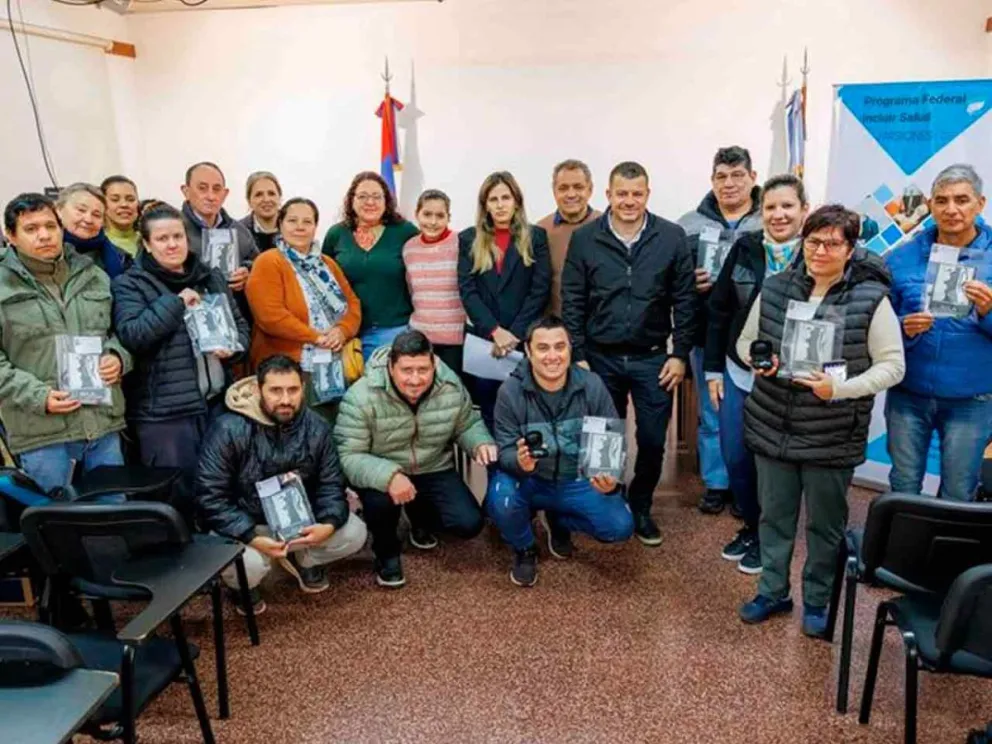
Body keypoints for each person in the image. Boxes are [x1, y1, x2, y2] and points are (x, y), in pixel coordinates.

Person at [735, 205, 905, 636]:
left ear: (850, 249)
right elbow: (745, 342)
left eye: (832, 243)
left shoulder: (871, 300)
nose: (820, 251)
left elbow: (892, 366)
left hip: (832, 431)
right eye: (813, 241)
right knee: (774, 518)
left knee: (824, 526)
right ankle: (773, 590)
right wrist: (759, 360)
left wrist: (839, 389)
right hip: (773, 423)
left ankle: (816, 599)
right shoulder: (776, 287)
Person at [561, 161, 697, 546]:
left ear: (647, 195)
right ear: (608, 195)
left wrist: (679, 353)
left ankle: (640, 505)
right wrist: (578, 354)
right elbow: (573, 299)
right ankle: (607, 500)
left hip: (653, 358)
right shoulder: (585, 238)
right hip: (598, 358)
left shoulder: (671, 237)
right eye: (621, 193)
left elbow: (685, 300)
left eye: (637, 194)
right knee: (604, 436)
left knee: (652, 439)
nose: (629, 201)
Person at [196, 355, 368, 613]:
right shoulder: (227, 429)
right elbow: (210, 497)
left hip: (301, 522)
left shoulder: (317, 427)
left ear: (303, 388)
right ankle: (243, 586)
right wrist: (251, 536)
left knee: (354, 533)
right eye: (275, 390)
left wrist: (328, 524)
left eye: (293, 390)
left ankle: (306, 561)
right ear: (258, 389)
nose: (286, 399)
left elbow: (331, 483)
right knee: (247, 566)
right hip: (248, 524)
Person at [112, 203, 250, 521]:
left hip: (216, 402)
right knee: (178, 494)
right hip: (166, 413)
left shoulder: (210, 276)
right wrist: (175, 304)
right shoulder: (130, 283)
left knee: (220, 485)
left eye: (178, 236)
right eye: (162, 239)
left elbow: (240, 326)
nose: (172, 244)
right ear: (147, 244)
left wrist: (234, 347)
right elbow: (133, 335)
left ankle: (222, 545)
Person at [334, 330, 497, 588]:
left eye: (423, 370)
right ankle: (386, 553)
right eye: (406, 370)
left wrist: (479, 442)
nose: (415, 379)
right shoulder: (361, 396)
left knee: (469, 524)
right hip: (383, 468)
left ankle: (420, 519)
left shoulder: (450, 385)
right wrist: (389, 476)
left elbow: (466, 424)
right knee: (380, 504)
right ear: (391, 367)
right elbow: (348, 455)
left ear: (434, 364)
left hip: (433, 465)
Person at [704, 174, 810, 575]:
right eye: (771, 207)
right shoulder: (746, 248)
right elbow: (719, 310)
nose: (779, 214)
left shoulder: (816, 253)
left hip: (788, 381)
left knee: (776, 465)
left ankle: (771, 539)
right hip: (738, 371)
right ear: (760, 211)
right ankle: (751, 526)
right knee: (736, 455)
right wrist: (713, 369)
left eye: (787, 206)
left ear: (804, 210)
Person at [487, 316, 633, 586]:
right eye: (543, 348)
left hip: (576, 479)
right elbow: (504, 451)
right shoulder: (510, 391)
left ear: (570, 349)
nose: (552, 356)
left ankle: (559, 521)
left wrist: (610, 482)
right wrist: (519, 462)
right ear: (528, 351)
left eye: (560, 347)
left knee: (619, 526)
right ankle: (525, 548)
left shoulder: (592, 385)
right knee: (500, 501)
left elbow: (609, 447)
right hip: (530, 480)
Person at [0, 193, 131, 492]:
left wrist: (118, 356)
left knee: (113, 512)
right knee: (57, 517)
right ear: (11, 236)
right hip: (42, 433)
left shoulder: (93, 275)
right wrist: (38, 396)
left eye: (50, 226)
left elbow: (121, 332)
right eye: (31, 229)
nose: (44, 235)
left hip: (102, 426)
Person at [884, 164, 992, 502]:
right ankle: (904, 540)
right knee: (903, 486)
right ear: (929, 205)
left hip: (971, 399)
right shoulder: (901, 257)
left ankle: (948, 542)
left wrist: (989, 313)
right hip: (908, 394)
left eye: (962, 200)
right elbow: (878, 325)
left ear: (981, 204)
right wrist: (903, 327)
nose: (951, 209)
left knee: (958, 492)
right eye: (942, 201)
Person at [678, 146, 763, 515]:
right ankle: (716, 483)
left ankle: (749, 487)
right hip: (706, 335)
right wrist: (689, 282)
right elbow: (672, 280)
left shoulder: (769, 219)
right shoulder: (688, 224)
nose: (729, 184)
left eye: (737, 175)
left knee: (753, 417)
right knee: (712, 413)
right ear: (712, 180)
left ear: (752, 178)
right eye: (721, 177)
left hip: (756, 340)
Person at [245, 198, 361, 416]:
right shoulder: (268, 261)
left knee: (328, 424)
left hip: (331, 365)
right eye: (292, 221)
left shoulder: (327, 264)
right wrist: (316, 337)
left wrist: (342, 330)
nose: (300, 227)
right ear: (280, 224)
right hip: (288, 372)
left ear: (315, 227)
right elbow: (270, 316)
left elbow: (353, 304)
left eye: (307, 221)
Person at [458, 171, 551, 430]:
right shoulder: (468, 239)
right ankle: (494, 458)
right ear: (485, 205)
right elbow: (467, 291)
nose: (500, 205)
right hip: (485, 342)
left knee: (527, 412)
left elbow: (539, 290)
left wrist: (514, 335)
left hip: (522, 340)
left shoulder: (536, 237)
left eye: (506, 198)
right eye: (493, 199)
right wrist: (494, 331)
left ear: (516, 201)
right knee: (490, 412)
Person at [321, 171, 420, 361]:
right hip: (346, 333)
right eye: (362, 196)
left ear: (387, 201)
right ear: (351, 200)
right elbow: (323, 281)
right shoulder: (336, 234)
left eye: (377, 196)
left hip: (393, 331)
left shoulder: (405, 231)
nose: (370, 202)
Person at [403, 189, 466, 375]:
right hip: (420, 339)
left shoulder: (461, 243)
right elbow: (411, 290)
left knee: (453, 389)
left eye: (440, 215)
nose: (433, 222)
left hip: (456, 341)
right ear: (417, 214)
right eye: (427, 214)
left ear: (448, 217)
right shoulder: (409, 248)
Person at [180, 161, 259, 296]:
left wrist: (247, 272)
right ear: (186, 191)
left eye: (216, 189)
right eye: (202, 188)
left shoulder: (239, 230)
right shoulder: (173, 231)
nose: (211, 196)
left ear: (225, 193)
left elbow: (258, 263)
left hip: (234, 305)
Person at [536, 159, 601, 315]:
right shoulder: (541, 231)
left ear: (590, 189)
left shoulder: (606, 227)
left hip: (599, 324)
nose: (571, 194)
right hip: (554, 325)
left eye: (578, 187)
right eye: (563, 188)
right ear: (554, 191)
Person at [55, 183, 131, 279]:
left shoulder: (122, 259)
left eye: (96, 215)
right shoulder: (43, 250)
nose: (88, 220)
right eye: (81, 210)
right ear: (59, 210)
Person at [239, 171, 282, 253]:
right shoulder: (238, 232)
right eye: (258, 194)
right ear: (249, 201)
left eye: (271, 193)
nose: (266, 199)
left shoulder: (295, 229)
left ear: (279, 197)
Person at [100, 175, 141, 258]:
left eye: (130, 199)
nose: (124, 204)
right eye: (115, 200)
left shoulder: (151, 241)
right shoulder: (96, 243)